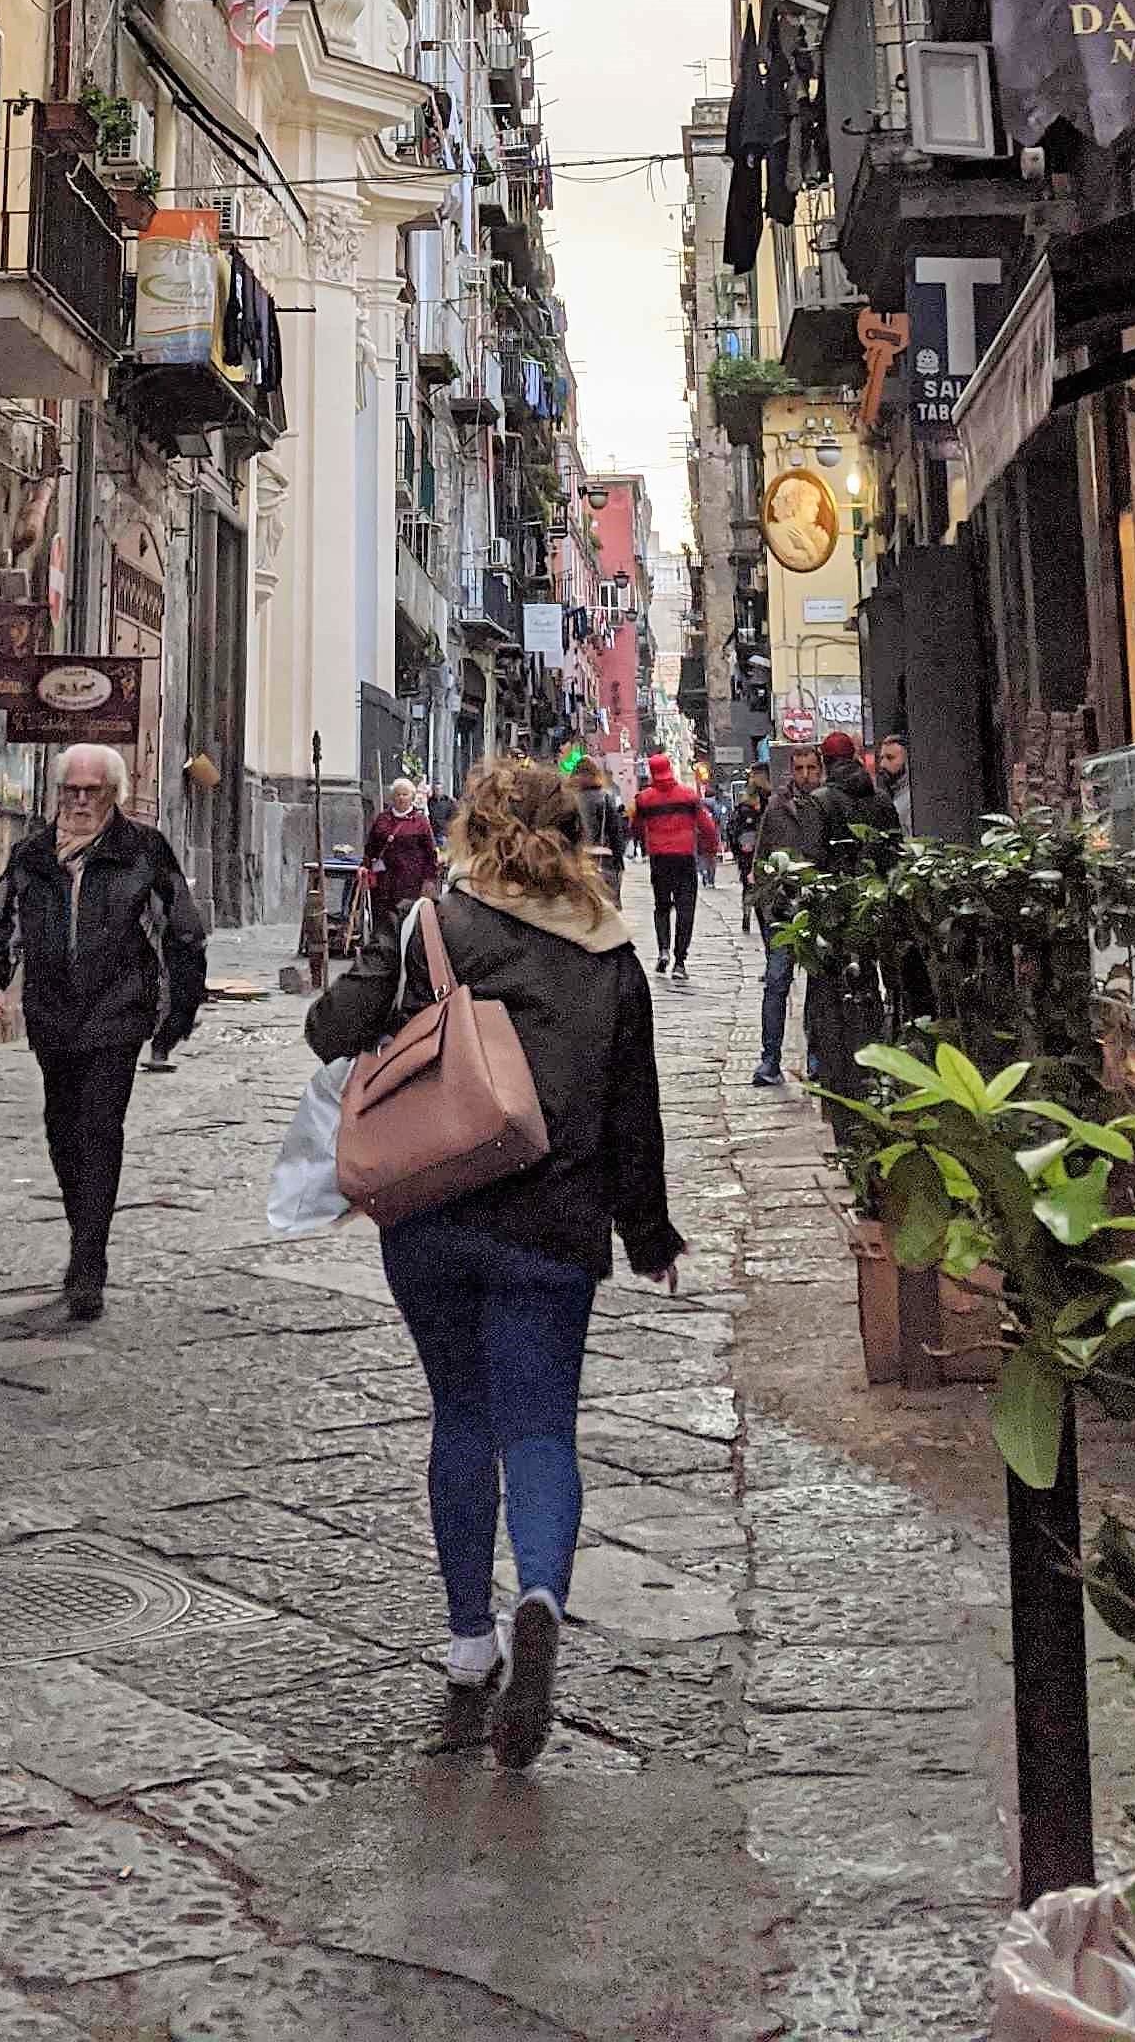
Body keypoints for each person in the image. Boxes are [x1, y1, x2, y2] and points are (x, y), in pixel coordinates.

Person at [307, 754, 683, 1768]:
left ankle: (470, 1645)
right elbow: (635, 1118)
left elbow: (327, 1030)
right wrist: (648, 1237)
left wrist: (378, 986)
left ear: (472, 828)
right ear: (577, 833)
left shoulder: (433, 925)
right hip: (557, 1228)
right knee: (541, 1428)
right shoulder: (612, 956)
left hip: (434, 1212)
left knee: (460, 1416)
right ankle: (541, 1597)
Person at [0, 743, 207, 1326]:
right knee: (60, 1129)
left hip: (117, 1013)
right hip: (51, 1015)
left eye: (90, 791)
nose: (77, 800)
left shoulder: (142, 851)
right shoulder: (32, 854)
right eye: (69, 790)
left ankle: (87, 1259)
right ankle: (84, 1228)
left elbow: (184, 933)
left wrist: (175, 1017)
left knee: (99, 1128)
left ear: (113, 795)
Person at [805, 734, 901, 1097]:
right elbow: (894, 851)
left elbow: (812, 861)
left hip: (837, 914)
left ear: (824, 761)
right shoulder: (879, 798)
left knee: (831, 995)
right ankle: (877, 1061)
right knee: (872, 986)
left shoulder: (821, 802)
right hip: (875, 907)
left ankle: (841, 1074)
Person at [748, 742, 826, 1085]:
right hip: (782, 909)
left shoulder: (826, 804)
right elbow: (762, 858)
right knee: (777, 983)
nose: (806, 775)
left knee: (818, 988)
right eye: (800, 769)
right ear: (791, 771)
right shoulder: (777, 807)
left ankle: (816, 1058)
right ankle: (770, 1059)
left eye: (811, 768)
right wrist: (765, 904)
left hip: (817, 906)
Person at [629, 749, 716, 979]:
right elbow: (707, 826)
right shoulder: (688, 797)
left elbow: (636, 827)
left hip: (659, 859)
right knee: (686, 909)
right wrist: (710, 850)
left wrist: (642, 842)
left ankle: (663, 950)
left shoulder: (644, 799)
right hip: (684, 858)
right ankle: (680, 961)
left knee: (662, 906)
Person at [361, 776, 443, 923]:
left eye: (405, 794)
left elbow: (430, 853)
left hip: (410, 883)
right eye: (398, 794)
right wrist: (364, 866)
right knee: (383, 922)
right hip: (384, 882)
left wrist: (429, 878)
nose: (401, 798)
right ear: (392, 797)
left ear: (411, 797)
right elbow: (371, 847)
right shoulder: (382, 819)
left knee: (405, 920)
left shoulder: (420, 821)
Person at [559, 744, 628, 899]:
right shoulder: (605, 797)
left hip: (574, 859)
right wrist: (619, 860)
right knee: (605, 903)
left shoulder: (567, 797)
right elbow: (616, 832)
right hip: (602, 859)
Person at [727, 772, 771, 935]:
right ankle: (754, 913)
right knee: (759, 885)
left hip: (747, 854)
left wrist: (736, 851)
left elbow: (732, 831)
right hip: (756, 853)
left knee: (749, 885)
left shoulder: (742, 808)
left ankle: (747, 912)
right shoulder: (762, 807)